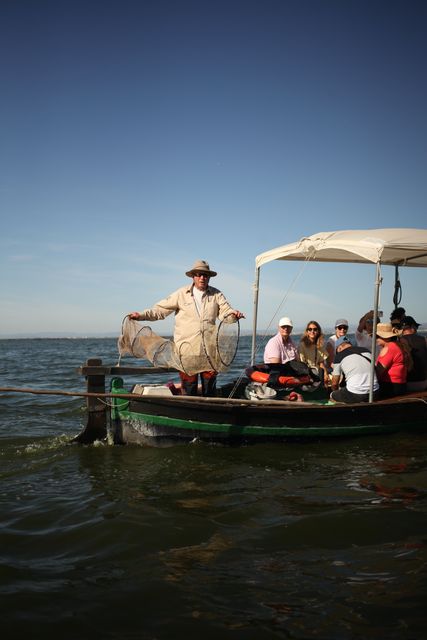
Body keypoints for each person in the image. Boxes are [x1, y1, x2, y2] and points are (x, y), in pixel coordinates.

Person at [129, 260, 244, 396]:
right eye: (199, 274)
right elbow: (160, 311)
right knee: (189, 389)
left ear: (209, 277)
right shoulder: (181, 294)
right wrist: (140, 315)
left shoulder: (216, 295)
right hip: (186, 352)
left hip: (210, 353)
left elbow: (226, 313)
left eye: (205, 275)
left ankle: (208, 415)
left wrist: (234, 315)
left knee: (210, 390)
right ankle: (190, 416)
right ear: (193, 276)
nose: (202, 278)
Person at [330, 335, 380, 403]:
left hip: (355, 394)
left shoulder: (339, 355)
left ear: (339, 348)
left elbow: (334, 383)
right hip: (375, 392)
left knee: (333, 396)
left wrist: (335, 391)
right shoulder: (366, 351)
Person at [375, 323, 407, 398]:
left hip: (390, 386)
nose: (376, 339)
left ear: (385, 337)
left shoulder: (389, 348)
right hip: (400, 385)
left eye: (377, 336)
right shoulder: (397, 345)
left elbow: (379, 371)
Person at [400, 316, 427, 391]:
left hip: (405, 383)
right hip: (423, 382)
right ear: (412, 327)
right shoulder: (424, 340)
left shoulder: (398, 342)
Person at [299, 320, 329, 387]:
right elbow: (302, 363)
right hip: (307, 372)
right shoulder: (302, 345)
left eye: (315, 329)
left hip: (318, 371)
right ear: (307, 331)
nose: (312, 331)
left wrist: (326, 373)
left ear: (318, 331)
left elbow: (321, 363)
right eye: (310, 329)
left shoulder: (319, 345)